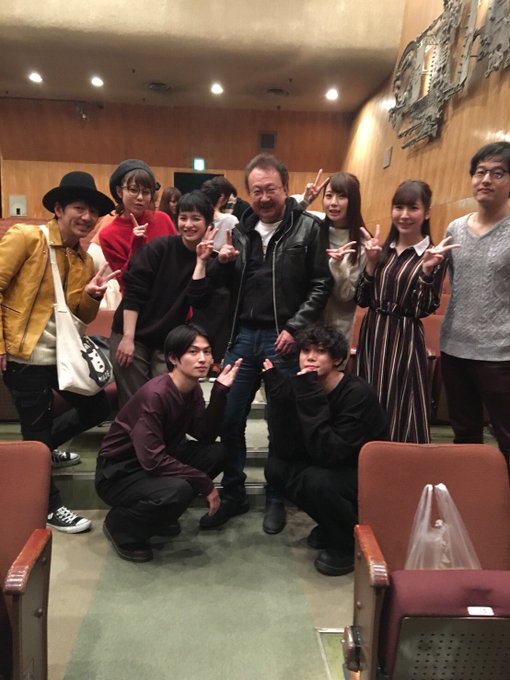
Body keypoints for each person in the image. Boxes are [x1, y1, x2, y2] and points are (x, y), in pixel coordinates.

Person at [198, 153, 332, 532]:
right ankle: (234, 492)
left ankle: (276, 494)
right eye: (256, 191)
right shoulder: (240, 231)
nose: (263, 197)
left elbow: (321, 284)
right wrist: (222, 263)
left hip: (283, 339)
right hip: (242, 336)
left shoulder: (308, 228)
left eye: (270, 189)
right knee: (229, 417)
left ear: (285, 189)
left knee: (282, 422)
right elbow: (221, 287)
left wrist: (295, 327)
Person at [0, 171, 117, 533]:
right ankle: (49, 507)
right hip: (24, 356)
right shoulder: (27, 238)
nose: (87, 217)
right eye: (79, 208)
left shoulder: (84, 260)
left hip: (63, 356)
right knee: (35, 431)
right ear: (59, 208)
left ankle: (44, 449)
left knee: (97, 406)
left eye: (93, 211)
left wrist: (93, 296)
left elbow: (81, 314)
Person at [96, 324, 241, 562]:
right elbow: (153, 461)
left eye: (207, 351)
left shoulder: (192, 389)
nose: (202, 359)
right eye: (193, 352)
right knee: (178, 490)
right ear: (173, 358)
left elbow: (205, 436)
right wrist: (204, 483)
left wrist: (219, 393)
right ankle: (120, 526)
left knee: (218, 453)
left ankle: (160, 513)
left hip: (156, 459)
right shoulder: (156, 394)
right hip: (118, 473)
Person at [263, 325, 388, 575]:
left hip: (363, 472)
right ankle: (333, 526)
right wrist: (279, 398)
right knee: (277, 468)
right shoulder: (303, 385)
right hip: (328, 465)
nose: (310, 357)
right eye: (305, 351)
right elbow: (285, 449)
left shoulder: (356, 393)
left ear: (337, 359)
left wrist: (309, 394)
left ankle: (347, 545)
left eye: (320, 352)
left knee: (317, 481)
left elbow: (332, 452)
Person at [356, 180, 456, 443]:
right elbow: (362, 299)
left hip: (404, 337)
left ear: (427, 212)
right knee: (369, 396)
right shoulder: (381, 250)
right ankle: (366, 457)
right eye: (398, 207)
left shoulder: (433, 255)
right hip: (373, 333)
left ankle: (399, 460)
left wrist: (427, 271)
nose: (404, 215)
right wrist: (370, 265)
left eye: (413, 208)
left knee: (401, 401)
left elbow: (423, 309)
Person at [110, 190, 218, 406]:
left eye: (196, 218)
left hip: (167, 339)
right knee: (136, 401)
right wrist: (128, 337)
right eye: (183, 218)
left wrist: (201, 263)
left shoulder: (209, 260)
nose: (188, 224)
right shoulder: (159, 247)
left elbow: (199, 301)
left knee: (167, 397)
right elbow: (134, 292)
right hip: (133, 332)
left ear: (208, 224)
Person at [440, 142, 510, 464]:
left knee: (506, 435)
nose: (486, 180)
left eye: (498, 173)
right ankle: (469, 490)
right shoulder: (454, 229)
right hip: (454, 348)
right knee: (464, 435)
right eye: (480, 172)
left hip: (501, 353)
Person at [99, 159, 177, 293]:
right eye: (133, 190)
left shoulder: (163, 219)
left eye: (146, 192)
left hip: (171, 297)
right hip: (139, 302)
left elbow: (178, 260)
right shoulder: (108, 234)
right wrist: (136, 246)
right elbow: (125, 281)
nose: (140, 197)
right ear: (119, 191)